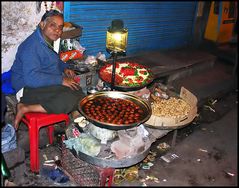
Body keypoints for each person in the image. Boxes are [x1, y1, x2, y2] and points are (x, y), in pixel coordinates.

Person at [11, 10, 85, 130]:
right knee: (70, 96)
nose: (57, 30)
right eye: (53, 25)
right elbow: (32, 78)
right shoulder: (32, 46)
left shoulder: (45, 40)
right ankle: (25, 107)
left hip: (41, 82)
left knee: (76, 88)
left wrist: (64, 68)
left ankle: (74, 113)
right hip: (26, 88)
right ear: (42, 24)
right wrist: (61, 80)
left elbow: (53, 60)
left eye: (60, 27)